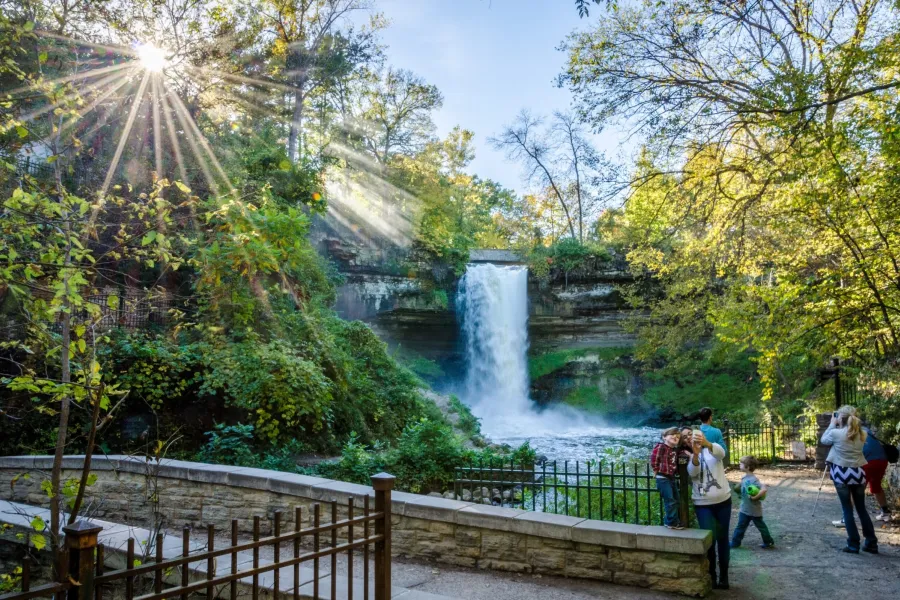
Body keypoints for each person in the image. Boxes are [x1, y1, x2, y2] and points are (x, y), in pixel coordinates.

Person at [820, 405, 878, 554]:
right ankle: (871, 542)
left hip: (841, 473)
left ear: (841, 418)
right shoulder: (862, 434)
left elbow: (824, 440)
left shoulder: (836, 433)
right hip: (858, 473)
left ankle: (853, 544)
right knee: (861, 509)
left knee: (847, 509)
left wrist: (832, 424)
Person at [687, 431, 731, 590]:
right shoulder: (688, 456)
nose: (689, 438)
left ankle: (724, 576)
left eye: (691, 435)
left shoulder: (713, 449)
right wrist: (695, 455)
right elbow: (693, 472)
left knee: (723, 538)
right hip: (702, 504)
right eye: (685, 437)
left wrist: (707, 443)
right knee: (709, 540)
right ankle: (712, 575)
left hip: (723, 501)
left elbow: (722, 454)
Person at [730, 455, 775, 549]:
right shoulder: (744, 478)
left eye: (741, 463)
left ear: (747, 467)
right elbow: (741, 490)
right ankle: (735, 542)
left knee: (761, 527)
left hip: (754, 510)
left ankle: (768, 541)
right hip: (745, 509)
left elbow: (761, 491)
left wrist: (759, 494)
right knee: (740, 527)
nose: (739, 464)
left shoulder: (754, 480)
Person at [651, 427, 684, 529]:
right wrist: (655, 469)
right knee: (670, 500)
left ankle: (670, 520)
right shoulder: (661, 447)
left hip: (671, 477)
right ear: (664, 437)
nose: (675, 437)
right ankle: (672, 522)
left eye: (678, 437)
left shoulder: (674, 450)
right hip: (663, 478)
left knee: (676, 499)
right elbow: (654, 458)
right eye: (672, 435)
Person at [862, 424, 892, 523]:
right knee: (876, 486)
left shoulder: (852, 431)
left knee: (857, 489)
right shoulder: (867, 430)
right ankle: (885, 513)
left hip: (868, 461)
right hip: (882, 460)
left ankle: (846, 518)